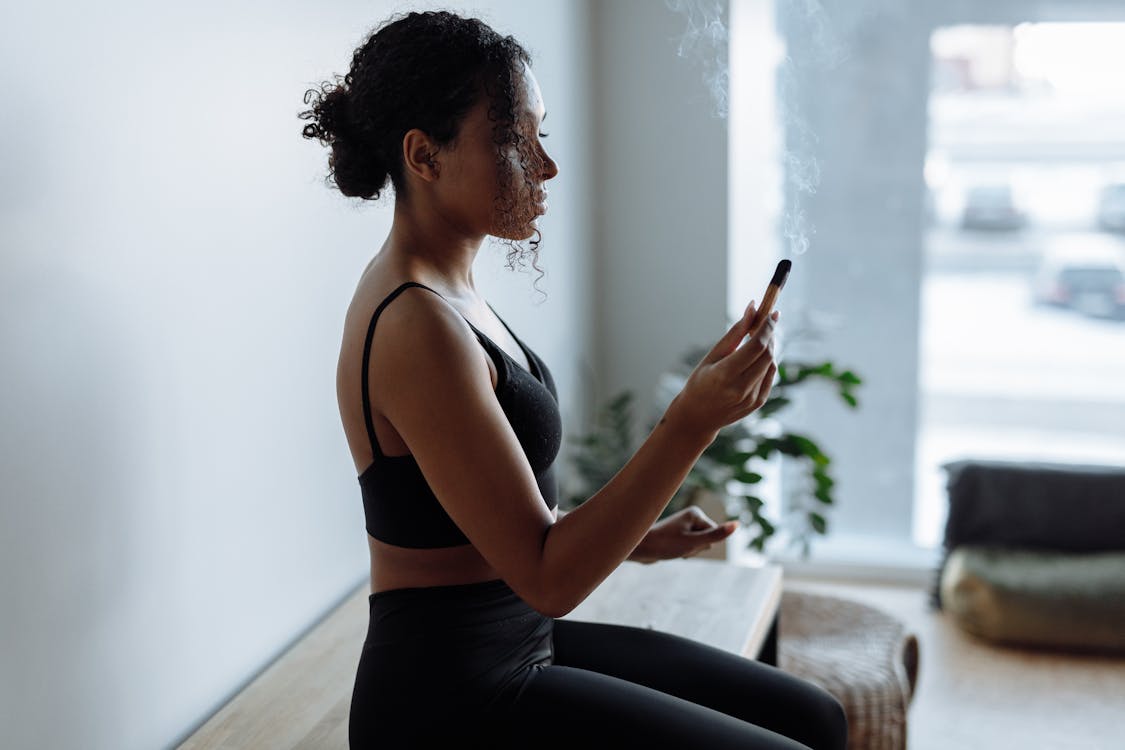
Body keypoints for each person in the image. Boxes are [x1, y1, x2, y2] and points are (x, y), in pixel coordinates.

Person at [301, 10, 847, 749]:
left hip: (522, 642)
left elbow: (494, 523)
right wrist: (691, 420)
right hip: (451, 699)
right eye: (512, 141)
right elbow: (548, 578)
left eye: (540, 135)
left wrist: (636, 538)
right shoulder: (414, 324)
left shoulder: (448, 292)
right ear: (423, 156)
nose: (545, 166)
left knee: (814, 717)